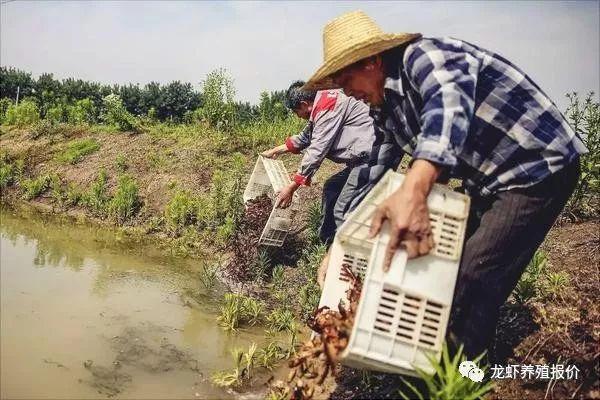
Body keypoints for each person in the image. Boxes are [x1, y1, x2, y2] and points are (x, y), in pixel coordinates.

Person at [303, 10, 587, 359]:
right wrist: (340, 243)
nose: (347, 92)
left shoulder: (425, 57)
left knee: (473, 278)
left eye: (346, 81)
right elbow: (375, 168)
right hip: (485, 180)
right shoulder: (385, 106)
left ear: (372, 61)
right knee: (442, 269)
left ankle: (465, 378)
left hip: (535, 164)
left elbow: (447, 109)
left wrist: (415, 188)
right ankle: (439, 357)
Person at [262, 80, 401, 248]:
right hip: (365, 155)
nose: (297, 116)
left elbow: (317, 150)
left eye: (295, 111)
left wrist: (291, 187)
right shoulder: (322, 104)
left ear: (304, 104)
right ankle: (328, 242)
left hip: (376, 153)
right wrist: (276, 150)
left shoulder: (328, 107)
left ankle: (351, 256)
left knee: (344, 207)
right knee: (332, 187)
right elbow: (306, 137)